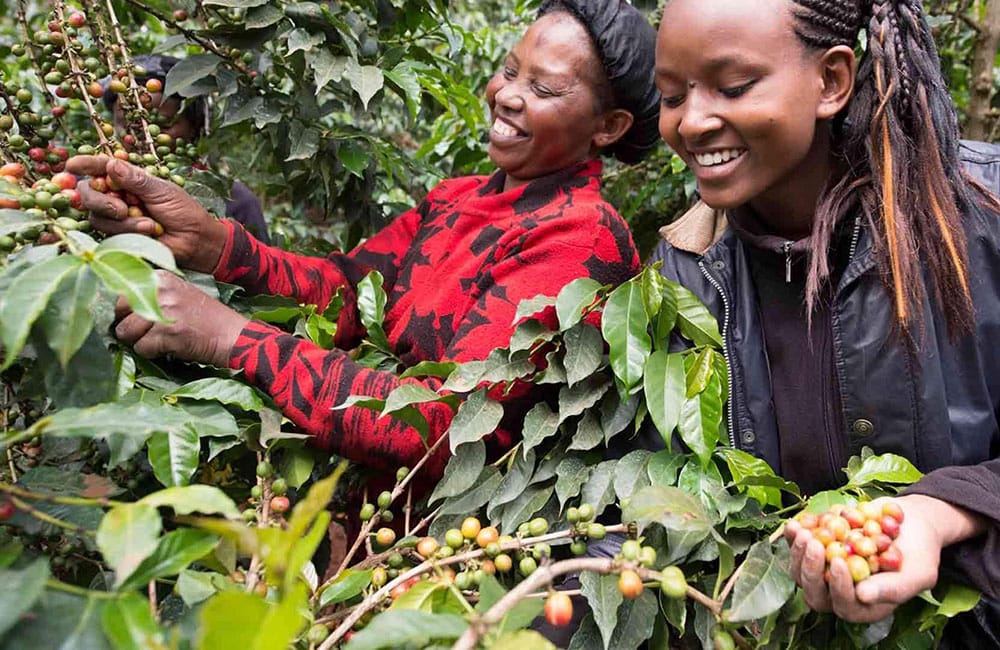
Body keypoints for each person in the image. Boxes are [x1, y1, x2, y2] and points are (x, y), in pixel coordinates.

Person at [68, 0, 661, 483]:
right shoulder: (457, 198)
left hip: (442, 562)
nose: (507, 95)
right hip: (359, 527)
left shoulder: (580, 238)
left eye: (545, 89)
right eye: (510, 72)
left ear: (607, 127)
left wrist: (231, 337)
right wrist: (212, 241)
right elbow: (348, 291)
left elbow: (443, 428)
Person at [649, 0, 1000, 643]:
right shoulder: (683, 272)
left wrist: (945, 511)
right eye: (672, 96)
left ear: (832, 80)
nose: (691, 121)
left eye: (734, 86)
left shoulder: (982, 212)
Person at [101, 54, 271, 244]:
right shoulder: (101, 195)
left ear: (194, 126)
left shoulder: (238, 202)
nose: (144, 138)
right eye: (129, 126)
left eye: (163, 125)